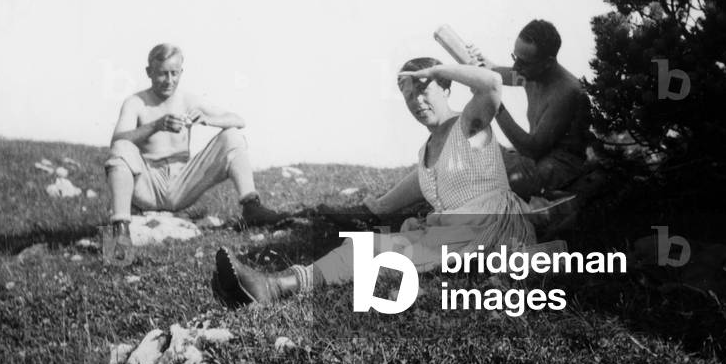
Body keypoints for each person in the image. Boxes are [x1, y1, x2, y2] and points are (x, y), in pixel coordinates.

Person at [213, 58, 535, 305]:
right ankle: (269, 284)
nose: (416, 101)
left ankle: (273, 287)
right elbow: (391, 200)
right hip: (461, 235)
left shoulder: (468, 123)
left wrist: (440, 68)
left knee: (369, 251)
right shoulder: (426, 150)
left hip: (493, 228)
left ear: (446, 87)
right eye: (408, 95)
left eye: (424, 88)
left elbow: (492, 83)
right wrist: (354, 211)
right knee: (366, 244)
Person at [104, 44, 284, 257]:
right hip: (148, 184)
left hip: (182, 184)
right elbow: (118, 140)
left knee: (232, 136)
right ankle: (121, 232)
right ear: (149, 72)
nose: (169, 80)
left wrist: (208, 119)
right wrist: (156, 125)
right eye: (162, 74)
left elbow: (238, 120)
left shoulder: (187, 99)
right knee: (122, 148)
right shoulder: (136, 102)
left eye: (174, 73)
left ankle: (251, 207)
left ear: (181, 72)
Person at [467, 19, 590, 200]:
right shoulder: (530, 74)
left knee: (489, 184)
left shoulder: (566, 92)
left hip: (560, 166)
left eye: (523, 62)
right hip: (535, 160)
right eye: (515, 57)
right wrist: (477, 62)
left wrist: (494, 105)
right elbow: (494, 74)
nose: (516, 67)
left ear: (547, 63)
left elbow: (532, 149)